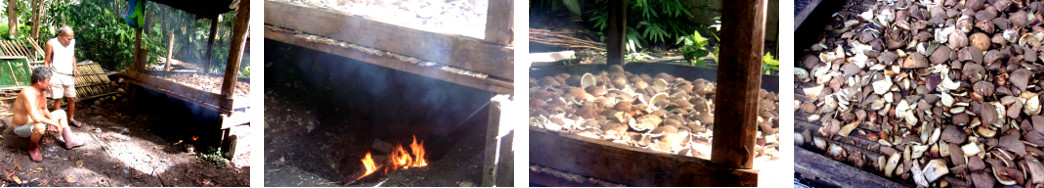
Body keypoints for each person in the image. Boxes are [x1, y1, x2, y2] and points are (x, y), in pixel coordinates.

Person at [11, 67, 83, 162]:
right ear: (40, 81)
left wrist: (51, 120)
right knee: (40, 126)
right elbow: (35, 117)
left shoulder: (42, 91)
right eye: (48, 80)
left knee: (61, 113)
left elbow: (44, 109)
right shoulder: (27, 93)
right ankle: (32, 148)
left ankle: (69, 141)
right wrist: (55, 124)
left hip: (34, 123)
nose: (49, 83)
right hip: (21, 128)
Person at [44, 25, 82, 127]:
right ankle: (56, 122)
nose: (70, 41)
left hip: (68, 75)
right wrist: (48, 79)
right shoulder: (51, 43)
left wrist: (75, 68)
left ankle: (70, 119)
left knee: (71, 98)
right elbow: (47, 62)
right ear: (60, 35)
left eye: (71, 39)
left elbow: (72, 56)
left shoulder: (71, 42)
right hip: (55, 75)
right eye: (68, 39)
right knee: (58, 99)